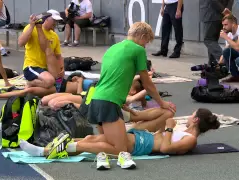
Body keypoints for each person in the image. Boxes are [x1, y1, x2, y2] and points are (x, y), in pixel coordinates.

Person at [83, 22, 176, 169]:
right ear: (143, 36)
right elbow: (147, 83)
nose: (145, 46)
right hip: (109, 102)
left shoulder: (112, 48)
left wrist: (121, 101)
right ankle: (72, 146)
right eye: (146, 42)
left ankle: (70, 143)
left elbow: (111, 78)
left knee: (106, 142)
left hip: (97, 99)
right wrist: (161, 102)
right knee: (121, 149)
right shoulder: (138, 50)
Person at [19, 108, 220, 170]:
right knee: (91, 137)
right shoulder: (184, 131)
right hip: (142, 137)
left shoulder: (191, 140)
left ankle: (43, 151)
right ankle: (47, 146)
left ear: (195, 120)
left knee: (89, 145)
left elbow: (166, 149)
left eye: (191, 115)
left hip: (143, 145)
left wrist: (167, 128)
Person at [18, 10, 64, 90]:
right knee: (50, 81)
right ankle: (30, 83)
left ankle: (36, 86)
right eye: (54, 20)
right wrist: (32, 25)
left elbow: (58, 56)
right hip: (32, 66)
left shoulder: (54, 36)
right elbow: (21, 43)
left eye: (57, 21)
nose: (55, 23)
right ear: (46, 19)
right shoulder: (32, 28)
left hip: (45, 69)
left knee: (57, 85)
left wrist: (62, 67)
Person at [199, 0, 233, 65]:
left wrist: (223, 10)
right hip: (222, 14)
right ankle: (212, 62)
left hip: (211, 13)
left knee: (208, 40)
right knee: (213, 40)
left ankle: (223, 59)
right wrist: (227, 10)